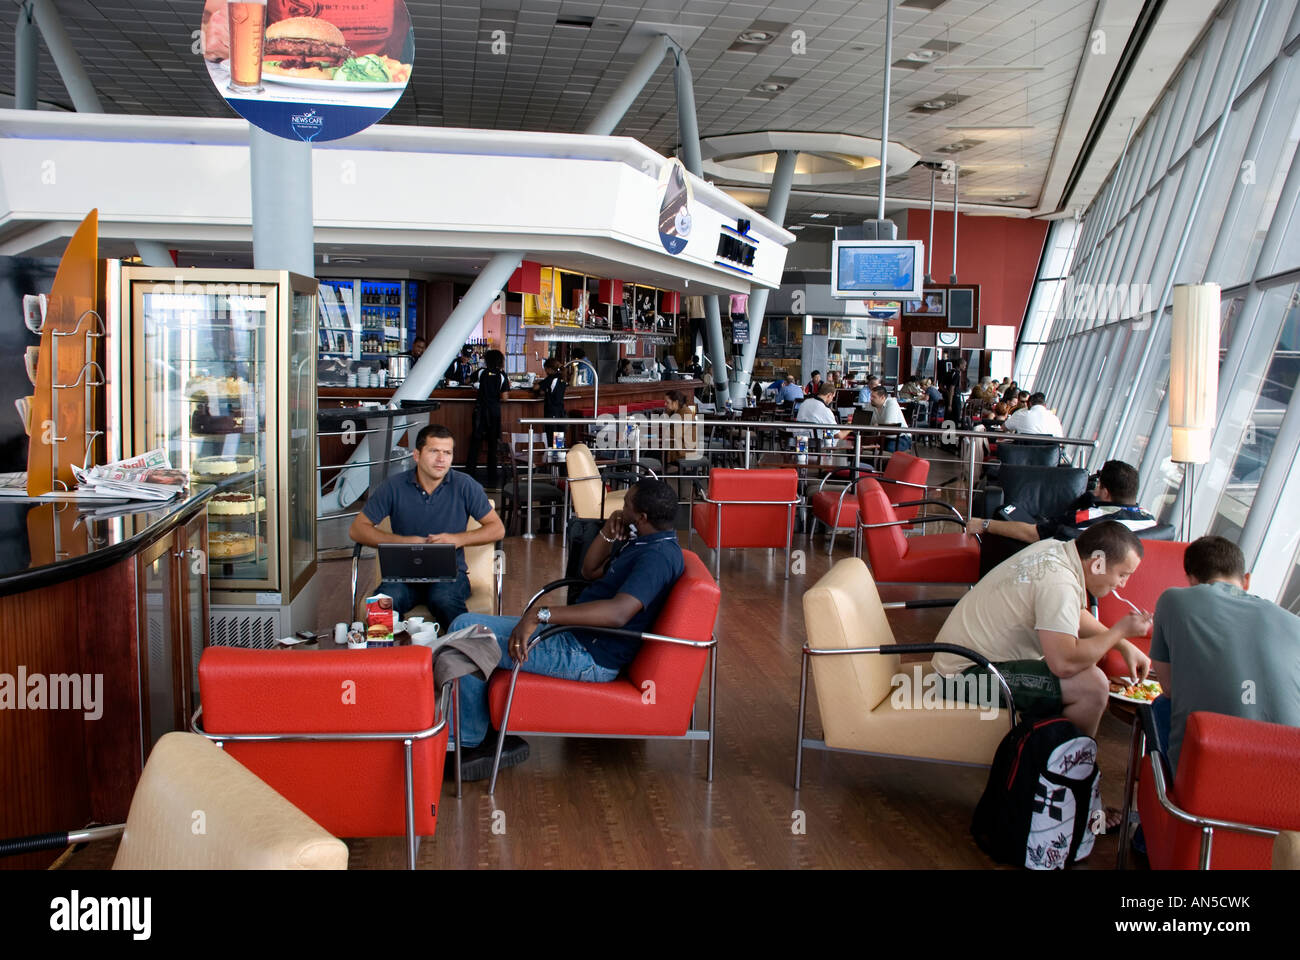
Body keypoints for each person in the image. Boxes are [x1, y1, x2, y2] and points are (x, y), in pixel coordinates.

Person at [447, 478, 685, 779]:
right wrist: (607, 531)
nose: (620, 509)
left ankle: (466, 746)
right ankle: (476, 734)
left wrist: (543, 614)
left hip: (586, 655)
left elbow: (618, 614)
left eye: (625, 506)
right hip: (576, 638)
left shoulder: (656, 558)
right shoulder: (646, 541)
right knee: (465, 626)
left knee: (467, 635)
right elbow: (590, 571)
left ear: (641, 517)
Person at [933, 521, 1152, 737]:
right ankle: (1066, 768)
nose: (1123, 584)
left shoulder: (1054, 550)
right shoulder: (1059, 583)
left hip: (961, 662)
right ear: (1097, 563)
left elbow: (1073, 616)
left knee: (1084, 675)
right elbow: (1064, 663)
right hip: (964, 677)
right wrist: (1119, 631)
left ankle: (1051, 754)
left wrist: (1122, 645)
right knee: (1092, 686)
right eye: (1122, 574)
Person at [1149, 536, 1300, 775]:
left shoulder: (1173, 600)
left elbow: (1169, 688)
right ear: (1247, 580)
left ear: (1192, 579)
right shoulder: (1294, 624)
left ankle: (1160, 789)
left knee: (1161, 706)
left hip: (1207, 777)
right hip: (1288, 778)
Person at [348, 424, 505, 630]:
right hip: (402, 574)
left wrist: (457, 539)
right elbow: (357, 530)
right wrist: (406, 543)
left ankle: (462, 653)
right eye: (434, 451)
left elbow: (497, 529)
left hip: (450, 575)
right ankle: (382, 658)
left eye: (447, 453)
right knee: (384, 601)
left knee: (444, 599)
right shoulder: (393, 487)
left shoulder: (465, 485)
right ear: (417, 455)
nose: (441, 459)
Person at [967, 459, 1156, 544]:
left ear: (1106, 492)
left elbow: (1033, 534)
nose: (1094, 489)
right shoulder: (1151, 522)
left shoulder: (1088, 518)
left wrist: (984, 524)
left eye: (1098, 485)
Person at [465, 348, 509, 486]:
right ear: (500, 361)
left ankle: (470, 472)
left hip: (480, 412)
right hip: (494, 412)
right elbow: (505, 397)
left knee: (475, 443)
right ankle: (492, 475)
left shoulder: (481, 372)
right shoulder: (502, 375)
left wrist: (477, 386)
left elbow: (466, 380)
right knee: (492, 444)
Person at [869, 385, 911, 452]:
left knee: (887, 448)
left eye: (873, 397)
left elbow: (889, 426)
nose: (870, 398)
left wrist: (876, 426)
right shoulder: (872, 404)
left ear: (882, 397)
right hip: (882, 438)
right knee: (858, 445)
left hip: (901, 438)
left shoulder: (892, 403)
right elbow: (867, 421)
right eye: (871, 396)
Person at [537, 355, 567, 424]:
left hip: (551, 412)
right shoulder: (562, 377)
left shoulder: (550, 378)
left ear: (549, 369)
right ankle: (558, 435)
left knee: (551, 433)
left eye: (545, 369)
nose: (545, 371)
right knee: (558, 433)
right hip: (560, 411)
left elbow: (536, 387)